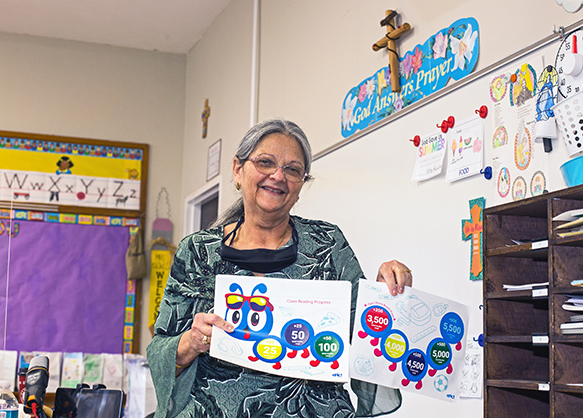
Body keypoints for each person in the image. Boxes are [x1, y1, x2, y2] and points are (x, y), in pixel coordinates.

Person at [147, 118, 412, 418]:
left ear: (301, 184)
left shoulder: (327, 245)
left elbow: (366, 341)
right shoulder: (197, 252)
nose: (278, 176)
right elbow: (160, 351)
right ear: (237, 170)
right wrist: (191, 342)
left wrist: (383, 299)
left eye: (293, 170)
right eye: (265, 162)